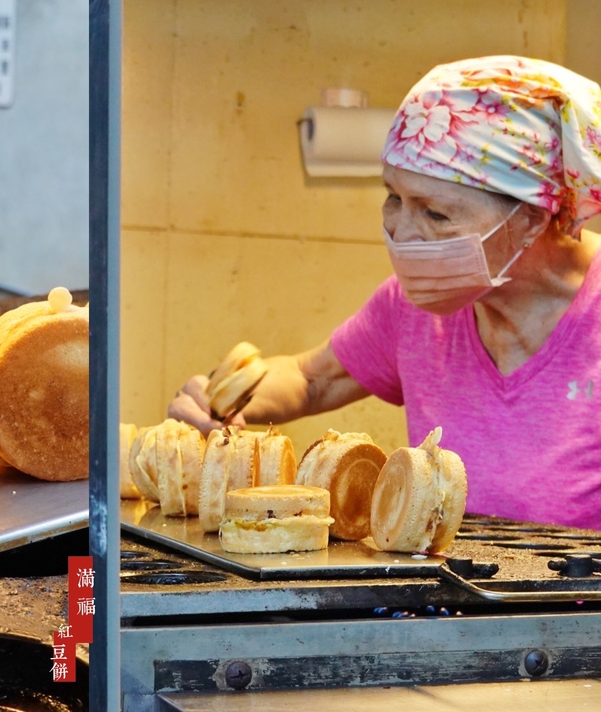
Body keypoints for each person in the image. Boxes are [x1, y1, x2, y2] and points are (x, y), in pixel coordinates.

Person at [169, 55, 601, 530]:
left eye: (435, 215)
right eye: (394, 197)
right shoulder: (413, 309)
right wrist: (220, 399)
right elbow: (312, 378)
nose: (400, 231)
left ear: (531, 219)